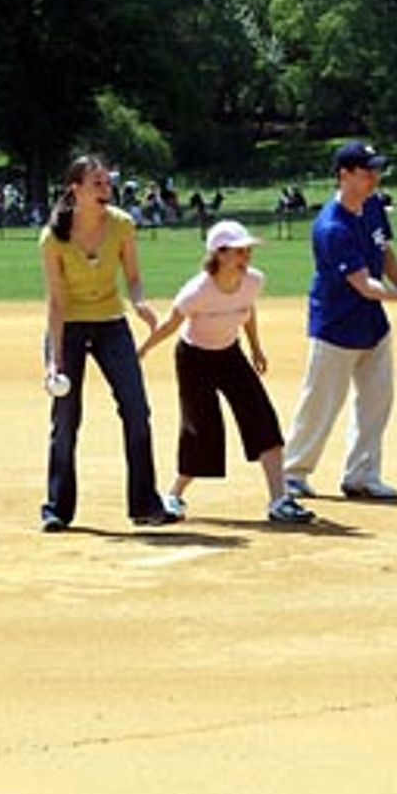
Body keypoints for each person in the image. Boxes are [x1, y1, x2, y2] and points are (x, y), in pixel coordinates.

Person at [282, 141, 397, 501]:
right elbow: (364, 286)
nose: (375, 177)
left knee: (376, 400)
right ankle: (293, 472)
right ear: (344, 175)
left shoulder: (372, 208)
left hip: (372, 326)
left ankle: (362, 475)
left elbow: (384, 251)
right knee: (321, 403)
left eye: (376, 170)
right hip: (335, 327)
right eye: (367, 171)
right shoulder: (331, 227)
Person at [137, 220, 314, 525]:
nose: (246, 256)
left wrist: (256, 349)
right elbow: (170, 325)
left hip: (231, 354)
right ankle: (174, 495)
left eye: (247, 250)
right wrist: (142, 350)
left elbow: (246, 310)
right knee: (202, 430)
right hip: (194, 359)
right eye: (238, 251)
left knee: (262, 419)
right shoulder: (197, 291)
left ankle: (279, 500)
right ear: (218, 254)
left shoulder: (253, 281)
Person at [40, 154, 178, 532]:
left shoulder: (122, 225)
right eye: (97, 183)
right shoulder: (53, 236)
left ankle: (144, 504)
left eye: (107, 183)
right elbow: (55, 301)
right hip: (67, 327)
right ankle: (57, 508)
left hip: (111, 324)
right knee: (66, 420)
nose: (106, 189)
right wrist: (55, 358)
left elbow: (132, 277)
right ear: (76, 189)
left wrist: (139, 303)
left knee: (137, 411)